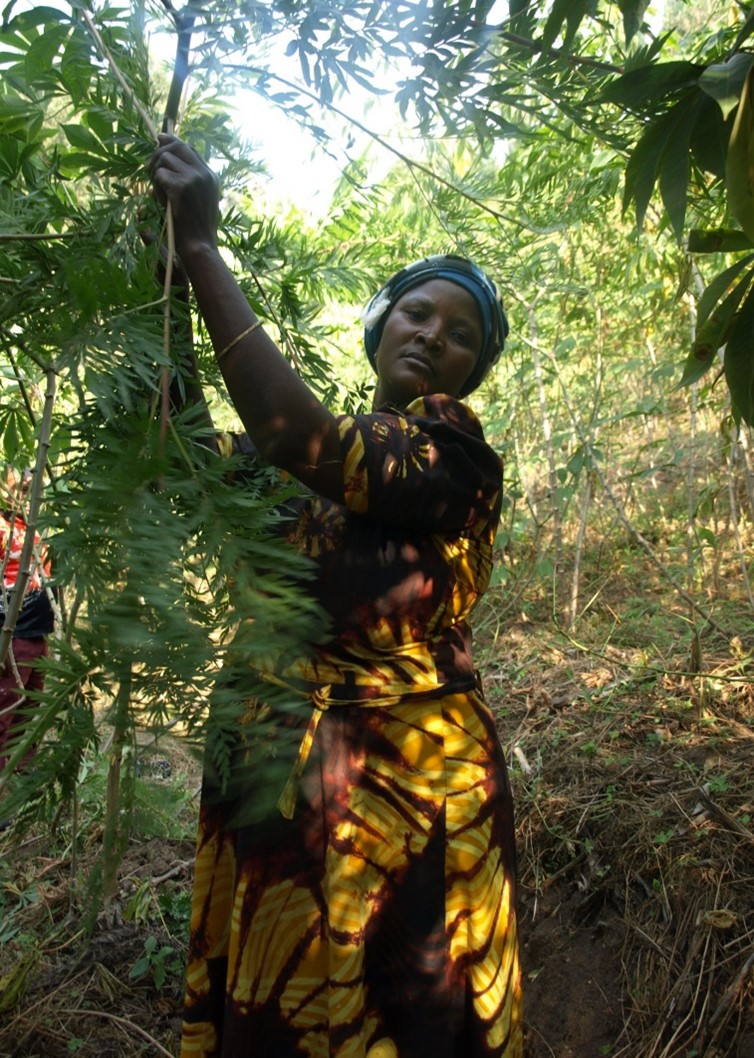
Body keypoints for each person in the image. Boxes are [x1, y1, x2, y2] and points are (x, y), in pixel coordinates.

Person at [150, 134, 523, 1058]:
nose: (434, 334)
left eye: (461, 334)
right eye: (418, 313)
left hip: (404, 792)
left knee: (401, 1018)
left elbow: (299, 436)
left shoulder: (454, 453)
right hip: (276, 779)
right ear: (382, 323)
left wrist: (204, 254)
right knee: (283, 1009)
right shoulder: (305, 471)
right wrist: (152, 291)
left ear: (470, 373)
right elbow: (189, 459)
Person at [0, 466, 54, 773]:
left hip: (37, 633)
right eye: (22, 490)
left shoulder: (34, 530)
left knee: (29, 706)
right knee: (5, 710)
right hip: (15, 634)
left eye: (34, 492)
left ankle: (22, 777)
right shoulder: (3, 527)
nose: (29, 497)